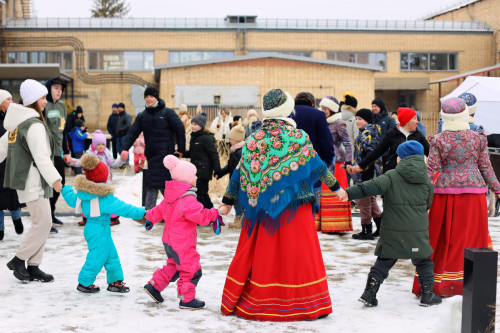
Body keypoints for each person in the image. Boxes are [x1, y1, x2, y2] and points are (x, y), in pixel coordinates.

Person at [219, 89, 346, 321]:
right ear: (288, 110)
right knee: (297, 254)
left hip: (261, 210)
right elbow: (318, 165)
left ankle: (260, 300)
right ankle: (304, 301)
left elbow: (239, 172)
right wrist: (337, 188)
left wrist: (228, 200)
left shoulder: (254, 138)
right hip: (295, 208)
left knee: (263, 254)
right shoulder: (298, 137)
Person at [412, 97, 500, 297]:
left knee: (443, 238)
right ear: (464, 114)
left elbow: (430, 169)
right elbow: (486, 167)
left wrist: (418, 193)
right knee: (472, 238)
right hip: (474, 194)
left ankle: (440, 281)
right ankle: (469, 281)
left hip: (445, 193)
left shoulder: (439, 139)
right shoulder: (478, 138)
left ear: (445, 116)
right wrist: (497, 189)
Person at [342, 141, 441, 307]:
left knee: (384, 260)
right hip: (417, 231)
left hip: (393, 230)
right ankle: (427, 296)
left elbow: (369, 187)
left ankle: (369, 294)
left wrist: (347, 193)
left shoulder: (391, 176)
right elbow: (428, 203)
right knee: (424, 262)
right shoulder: (426, 179)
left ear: (400, 159)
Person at [0, 79, 63, 282]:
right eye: (42, 98)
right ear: (33, 100)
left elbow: (1, 148)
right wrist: (56, 179)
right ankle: (19, 260)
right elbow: (41, 157)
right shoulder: (33, 125)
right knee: (43, 223)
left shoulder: (19, 124)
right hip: (34, 181)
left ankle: (34, 266)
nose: (45, 101)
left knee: (42, 222)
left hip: (32, 180)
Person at [143, 155, 222, 309]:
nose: (196, 178)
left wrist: (149, 218)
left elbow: (157, 211)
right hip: (183, 243)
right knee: (191, 269)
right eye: (194, 176)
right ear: (186, 179)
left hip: (169, 242)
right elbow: (201, 217)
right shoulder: (187, 200)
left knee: (174, 266)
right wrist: (215, 213)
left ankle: (154, 286)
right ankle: (187, 299)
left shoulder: (170, 197)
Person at [61, 154, 146, 293]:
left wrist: (66, 189)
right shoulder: (104, 197)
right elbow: (125, 209)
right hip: (99, 229)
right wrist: (143, 213)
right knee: (98, 255)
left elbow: (72, 199)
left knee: (111, 254)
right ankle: (84, 282)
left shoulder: (84, 194)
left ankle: (115, 281)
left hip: (93, 228)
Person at [120, 86, 186, 212]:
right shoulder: (142, 116)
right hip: (152, 154)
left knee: (163, 183)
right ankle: (153, 212)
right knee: (156, 182)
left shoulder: (167, 113)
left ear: (156, 97)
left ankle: (163, 211)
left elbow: (180, 128)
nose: (149, 99)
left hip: (167, 155)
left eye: (151, 96)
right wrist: (125, 148)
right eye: (146, 97)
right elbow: (132, 132)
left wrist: (180, 149)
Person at [291, 92, 335, 228]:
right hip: (312, 164)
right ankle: (308, 227)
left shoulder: (288, 114)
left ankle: (292, 228)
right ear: (312, 104)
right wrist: (327, 160)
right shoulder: (318, 114)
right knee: (311, 199)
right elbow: (325, 140)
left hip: (288, 165)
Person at [68, 130, 126, 226]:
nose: (100, 146)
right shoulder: (89, 154)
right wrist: (70, 161)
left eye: (103, 144)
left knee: (107, 199)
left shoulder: (106, 153)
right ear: (94, 144)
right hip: (91, 180)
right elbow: (80, 162)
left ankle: (114, 217)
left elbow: (114, 163)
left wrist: (122, 160)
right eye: (98, 144)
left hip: (105, 181)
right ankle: (86, 217)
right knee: (88, 198)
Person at [349, 107, 429, 175]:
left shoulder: (418, 135)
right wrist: (360, 165)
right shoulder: (392, 133)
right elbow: (377, 151)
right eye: (414, 118)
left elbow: (430, 152)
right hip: (395, 173)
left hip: (414, 173)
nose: (417, 121)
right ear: (406, 120)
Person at [317, 96, 353, 233]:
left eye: (325, 109)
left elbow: (347, 143)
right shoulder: (322, 123)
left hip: (336, 161)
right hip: (323, 161)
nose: (323, 111)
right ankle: (323, 223)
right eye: (322, 108)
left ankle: (337, 224)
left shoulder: (339, 123)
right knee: (323, 193)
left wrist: (348, 160)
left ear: (332, 109)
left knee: (335, 191)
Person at [350, 109, 383, 240]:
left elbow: (369, 156)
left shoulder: (366, 135)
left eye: (360, 119)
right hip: (369, 172)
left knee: (363, 202)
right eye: (356, 118)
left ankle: (366, 230)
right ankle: (380, 227)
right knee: (371, 200)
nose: (357, 121)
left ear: (367, 121)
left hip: (365, 172)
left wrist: (359, 168)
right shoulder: (369, 132)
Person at [44, 77, 71, 232]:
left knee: (59, 184)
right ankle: (46, 221)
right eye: (56, 88)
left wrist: (66, 151)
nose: (59, 91)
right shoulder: (43, 105)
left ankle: (51, 213)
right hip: (46, 154)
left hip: (58, 153)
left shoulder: (62, 106)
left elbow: (64, 130)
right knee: (47, 186)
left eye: (61, 89)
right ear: (49, 89)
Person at [0, 89, 23, 241]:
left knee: (13, 194)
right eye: (8, 99)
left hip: (11, 162)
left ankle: (17, 219)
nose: (12, 102)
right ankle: (0, 228)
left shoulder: (13, 118)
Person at [185, 113, 220, 209]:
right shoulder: (195, 137)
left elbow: (214, 154)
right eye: (192, 124)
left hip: (204, 170)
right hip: (196, 169)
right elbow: (193, 153)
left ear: (202, 126)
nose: (193, 126)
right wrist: (181, 154)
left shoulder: (206, 138)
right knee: (202, 194)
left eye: (195, 124)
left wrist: (217, 170)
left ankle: (203, 214)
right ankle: (211, 213)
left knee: (199, 193)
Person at [214, 120, 245, 228]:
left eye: (231, 138)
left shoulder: (238, 152)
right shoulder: (236, 150)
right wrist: (220, 173)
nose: (229, 140)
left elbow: (236, 168)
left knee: (237, 200)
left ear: (236, 139)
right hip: (239, 181)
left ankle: (239, 219)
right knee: (237, 200)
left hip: (239, 181)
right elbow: (230, 166)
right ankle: (240, 218)